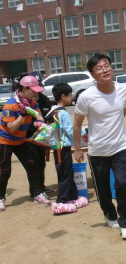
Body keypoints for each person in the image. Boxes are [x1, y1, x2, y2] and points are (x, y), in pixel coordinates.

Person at [73, 54, 126, 239]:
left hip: (120, 146)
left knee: (123, 182)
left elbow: (122, 110)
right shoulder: (86, 96)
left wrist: (115, 129)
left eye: (107, 65)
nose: (105, 70)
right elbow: (77, 124)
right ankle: (110, 214)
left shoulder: (122, 89)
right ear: (93, 75)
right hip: (97, 150)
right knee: (102, 188)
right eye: (99, 68)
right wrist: (78, 148)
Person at [0, 75, 51, 210]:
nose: (36, 92)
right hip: (5, 141)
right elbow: (11, 128)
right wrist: (22, 116)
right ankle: (0, 197)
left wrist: (39, 122)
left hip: (20, 140)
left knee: (32, 165)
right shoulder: (10, 104)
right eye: (33, 90)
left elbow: (38, 115)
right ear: (24, 88)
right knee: (4, 171)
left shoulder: (33, 103)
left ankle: (37, 194)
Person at [46, 83, 89, 214]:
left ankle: (73, 197)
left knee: (67, 172)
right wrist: (84, 131)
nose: (72, 98)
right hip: (63, 148)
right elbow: (70, 130)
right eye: (70, 95)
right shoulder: (62, 113)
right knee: (65, 174)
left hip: (57, 148)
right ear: (63, 96)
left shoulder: (52, 110)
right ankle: (61, 201)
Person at [25, 71, 53, 197]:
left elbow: (49, 117)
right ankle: (35, 191)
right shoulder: (24, 102)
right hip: (28, 138)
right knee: (33, 164)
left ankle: (41, 186)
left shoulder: (44, 99)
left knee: (41, 162)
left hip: (42, 137)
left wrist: (48, 124)